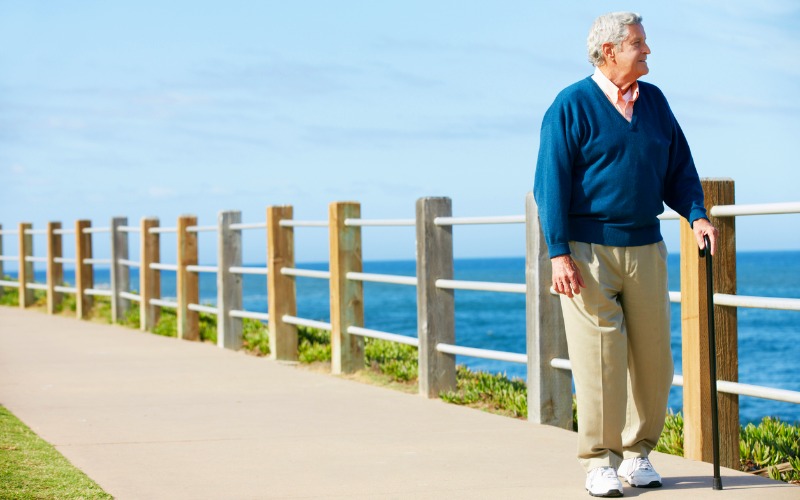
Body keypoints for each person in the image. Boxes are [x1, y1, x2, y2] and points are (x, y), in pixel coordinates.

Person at [533, 11, 718, 498]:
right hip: (586, 251)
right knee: (601, 361)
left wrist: (696, 212)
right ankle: (599, 462)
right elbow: (549, 184)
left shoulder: (654, 103)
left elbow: (679, 165)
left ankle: (638, 455)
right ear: (610, 50)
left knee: (655, 360)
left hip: (645, 247)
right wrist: (558, 253)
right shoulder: (570, 105)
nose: (648, 50)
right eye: (639, 42)